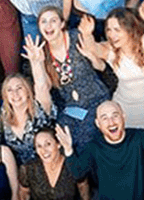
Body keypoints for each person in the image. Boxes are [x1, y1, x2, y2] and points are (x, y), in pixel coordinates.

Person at [74, 5, 144, 132]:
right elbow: (93, 48)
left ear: (129, 30)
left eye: (117, 29)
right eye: (109, 30)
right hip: (127, 105)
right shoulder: (110, 49)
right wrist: (87, 34)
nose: (112, 35)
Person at [24, 10, 110, 147]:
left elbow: (101, 66)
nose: (48, 25)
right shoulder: (42, 51)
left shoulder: (77, 36)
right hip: (71, 108)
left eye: (53, 20)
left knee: (90, 138)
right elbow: (45, 88)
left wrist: (90, 55)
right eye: (44, 22)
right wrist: (37, 62)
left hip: (96, 98)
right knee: (62, 138)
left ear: (62, 24)